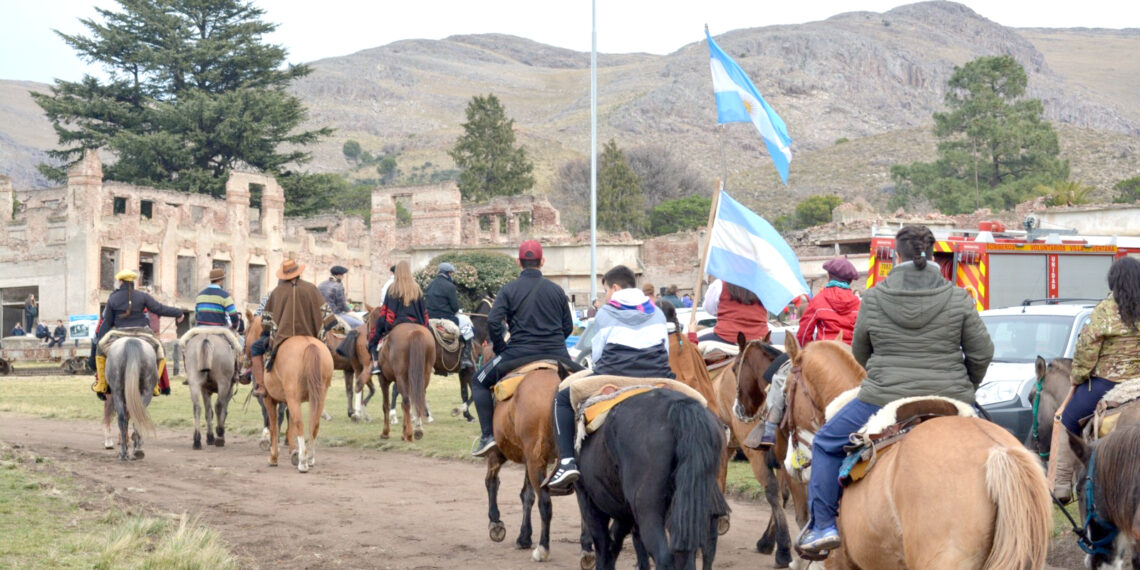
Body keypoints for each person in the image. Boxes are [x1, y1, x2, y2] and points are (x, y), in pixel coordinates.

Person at [796, 225, 993, 555]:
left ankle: (823, 526)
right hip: (952, 396)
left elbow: (860, 353)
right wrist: (964, 388)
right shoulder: (958, 297)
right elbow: (982, 353)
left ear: (896, 257)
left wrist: (884, 374)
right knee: (1002, 443)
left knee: (827, 443)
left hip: (882, 398)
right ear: (933, 257)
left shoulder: (873, 297)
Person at [547, 265, 674, 489]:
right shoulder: (657, 311)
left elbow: (598, 353)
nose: (605, 295)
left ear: (614, 288)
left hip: (613, 376)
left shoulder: (606, 312)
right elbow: (665, 351)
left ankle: (566, 462)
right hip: (656, 376)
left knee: (562, 399)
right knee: (698, 402)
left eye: (606, 290)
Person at [470, 240, 579, 457]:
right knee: (590, 380)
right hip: (558, 356)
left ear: (519, 262)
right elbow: (568, 326)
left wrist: (501, 349)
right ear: (542, 262)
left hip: (518, 354)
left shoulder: (508, 289)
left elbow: (493, 322)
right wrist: (554, 342)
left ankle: (487, 436)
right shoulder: (557, 291)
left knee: (478, 381)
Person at [1054, 256, 1140, 503]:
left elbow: (1087, 349)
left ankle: (1060, 485)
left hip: (1108, 383)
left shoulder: (1105, 309)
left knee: (1067, 419)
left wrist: (1079, 375)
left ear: (1114, 282)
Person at [91, 269, 186, 400]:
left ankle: (101, 384)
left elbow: (108, 321)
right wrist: (178, 312)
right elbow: (159, 309)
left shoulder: (113, 298)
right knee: (160, 351)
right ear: (133, 282)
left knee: (100, 349)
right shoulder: (143, 296)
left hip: (119, 332)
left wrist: (100, 339)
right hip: (142, 332)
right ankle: (154, 385)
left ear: (120, 282)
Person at [252, 259, 324, 397]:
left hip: (282, 336)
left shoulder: (277, 292)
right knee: (325, 349)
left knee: (255, 347)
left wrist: (266, 332)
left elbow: (266, 318)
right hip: (309, 334)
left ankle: (261, 386)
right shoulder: (311, 288)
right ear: (298, 273)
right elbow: (325, 311)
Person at [368, 261, 430, 373]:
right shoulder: (417, 288)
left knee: (373, 339)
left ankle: (375, 364)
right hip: (417, 322)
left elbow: (386, 311)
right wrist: (426, 327)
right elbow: (423, 312)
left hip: (397, 322)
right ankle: (430, 364)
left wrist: (383, 327)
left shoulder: (392, 288)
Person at [796, 257, 861, 347]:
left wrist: (811, 352)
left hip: (824, 355)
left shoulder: (818, 300)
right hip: (851, 356)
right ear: (850, 281)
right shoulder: (858, 304)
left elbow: (803, 334)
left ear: (828, 277)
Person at [424, 262, 474, 369]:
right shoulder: (450, 286)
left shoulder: (429, 286)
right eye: (451, 274)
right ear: (448, 273)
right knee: (467, 325)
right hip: (445, 318)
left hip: (430, 319)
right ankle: (465, 357)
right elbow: (455, 307)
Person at [698, 278, 769, 344]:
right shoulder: (764, 285)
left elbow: (708, 308)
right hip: (760, 338)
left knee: (693, 347)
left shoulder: (720, 283)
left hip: (725, 336)